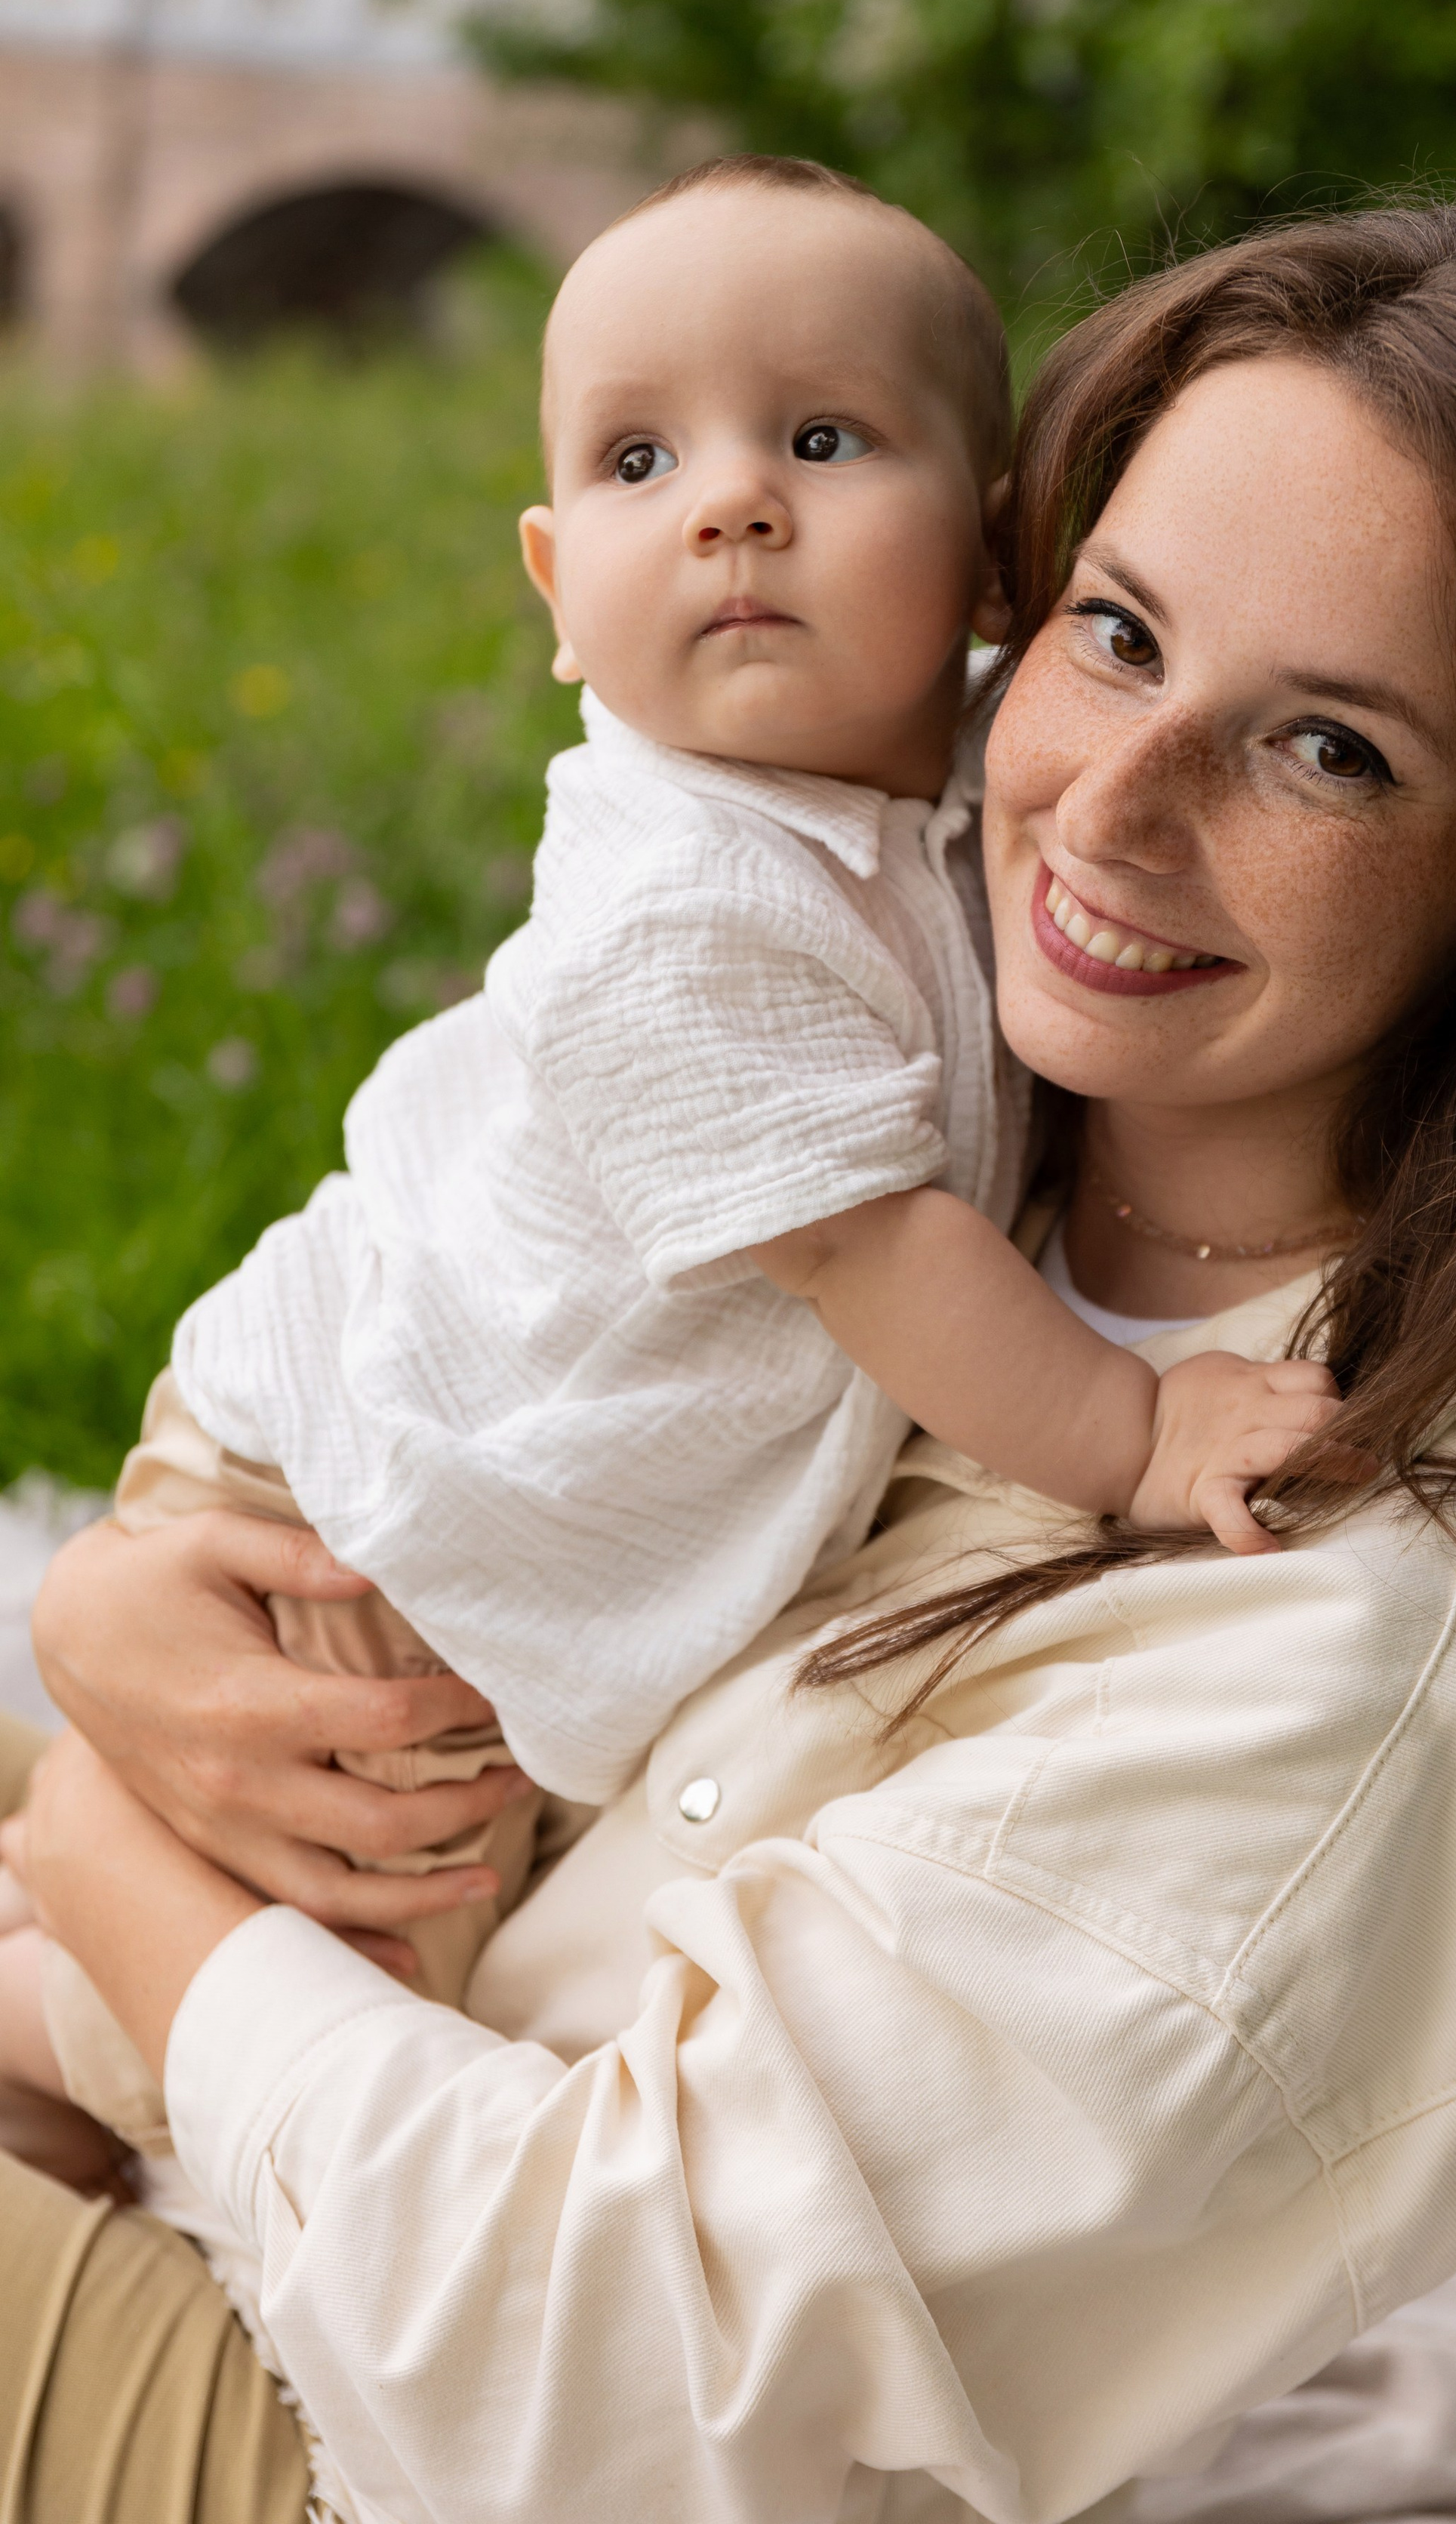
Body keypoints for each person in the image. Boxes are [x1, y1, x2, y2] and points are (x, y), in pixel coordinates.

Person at [3, 202, 1456, 2524]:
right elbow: (468, 1364)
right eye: (1116, 636)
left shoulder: (1370, 1608)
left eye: (1328, 748)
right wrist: (133, 1610)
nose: (1109, 805)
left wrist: (111, 1850)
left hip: (371, 2433)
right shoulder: (972, 1110)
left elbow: (586, 2392)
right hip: (291, 2133)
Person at [0, 156, 1336, 2155]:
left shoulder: (967, 762)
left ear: (993, 572)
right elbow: (878, 1254)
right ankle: (37, 2028)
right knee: (327, 1955)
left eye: (819, 436)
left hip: (476, 1478)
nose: (731, 502)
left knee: (274, 1917)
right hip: (387, 1504)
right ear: (555, 590)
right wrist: (1141, 1438)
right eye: (640, 459)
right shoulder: (681, 907)